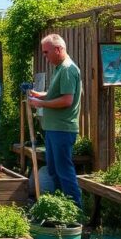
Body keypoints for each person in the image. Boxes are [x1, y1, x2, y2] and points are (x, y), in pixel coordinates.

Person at [28, 34, 83, 207]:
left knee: (64, 171)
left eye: (46, 52)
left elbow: (67, 100)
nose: (45, 56)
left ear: (58, 49)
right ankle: (62, 208)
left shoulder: (67, 69)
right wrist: (40, 95)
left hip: (62, 129)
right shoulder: (60, 68)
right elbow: (57, 94)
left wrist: (41, 103)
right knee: (54, 171)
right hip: (54, 128)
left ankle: (75, 211)